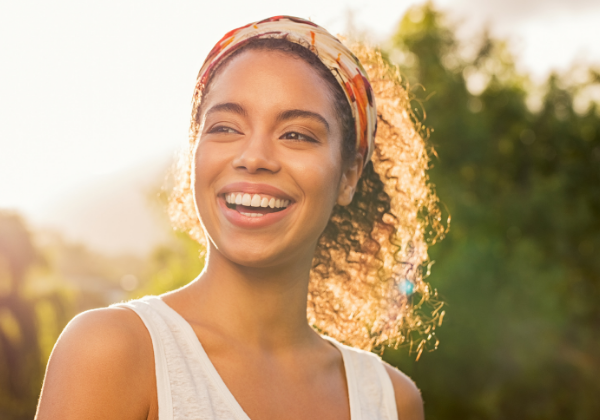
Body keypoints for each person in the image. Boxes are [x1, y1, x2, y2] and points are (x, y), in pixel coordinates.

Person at [35, 15, 443, 420]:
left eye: (296, 135)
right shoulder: (112, 351)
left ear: (349, 175)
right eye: (226, 127)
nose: (253, 158)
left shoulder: (391, 401)